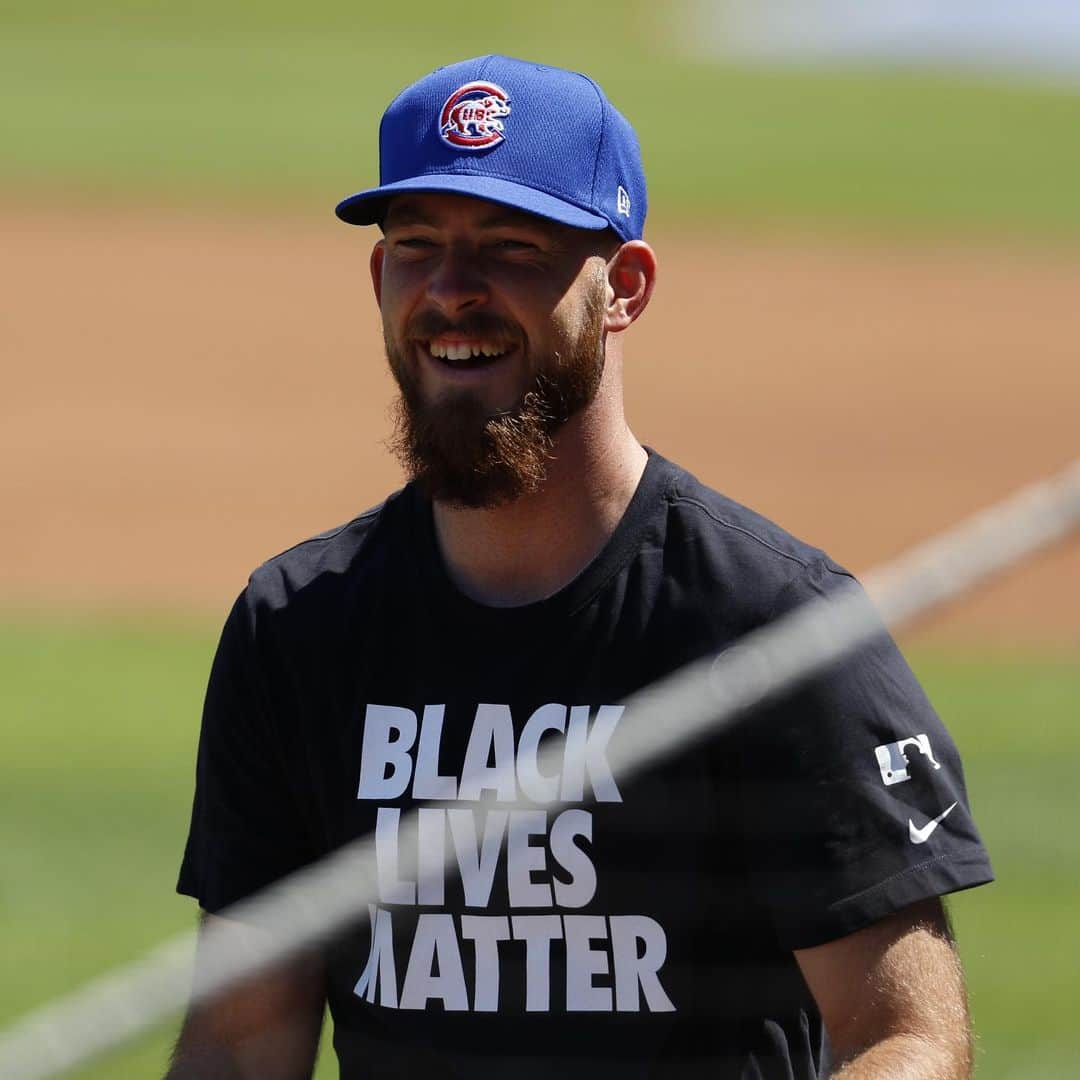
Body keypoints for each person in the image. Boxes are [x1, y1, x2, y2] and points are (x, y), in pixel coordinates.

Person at [169, 55, 993, 1079]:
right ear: (380, 282)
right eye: (418, 247)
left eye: (511, 249)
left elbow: (907, 1037)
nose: (453, 292)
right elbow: (242, 1046)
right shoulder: (298, 626)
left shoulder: (771, 624)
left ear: (625, 289)